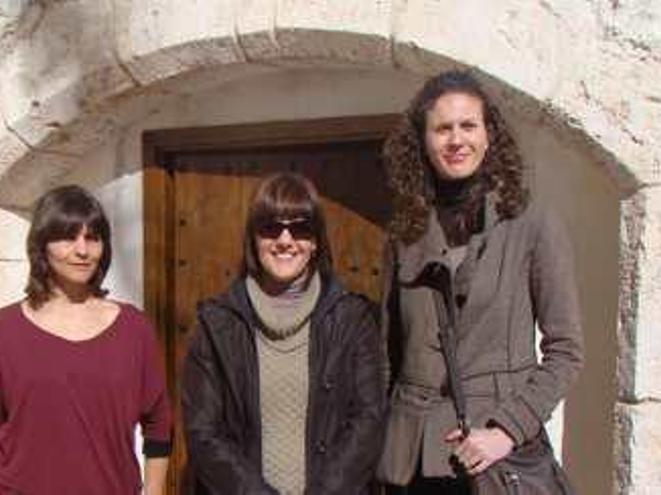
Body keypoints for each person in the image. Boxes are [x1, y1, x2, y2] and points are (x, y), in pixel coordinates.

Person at [377, 70, 585, 493]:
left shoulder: (531, 222)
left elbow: (566, 352)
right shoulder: (404, 235)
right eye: (442, 128)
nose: (456, 140)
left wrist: (507, 429)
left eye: (468, 125)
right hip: (413, 464)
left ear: (489, 135)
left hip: (494, 457)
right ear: (423, 142)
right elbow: (389, 356)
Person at [182, 172, 385, 494]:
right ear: (253, 239)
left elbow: (368, 419)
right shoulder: (216, 325)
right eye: (271, 227)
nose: (285, 240)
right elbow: (203, 433)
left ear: (316, 240)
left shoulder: (353, 320)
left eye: (300, 228)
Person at [0, 184, 172, 494]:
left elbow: (159, 422)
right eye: (68, 237)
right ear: (42, 245)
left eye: (93, 238)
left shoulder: (133, 328)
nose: (82, 250)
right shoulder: (5, 331)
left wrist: (155, 491)